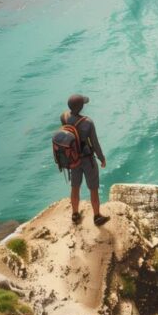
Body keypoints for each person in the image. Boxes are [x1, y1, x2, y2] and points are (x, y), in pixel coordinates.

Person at [56, 94, 110, 226]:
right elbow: (95, 144)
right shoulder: (88, 122)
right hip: (87, 160)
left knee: (75, 187)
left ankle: (75, 214)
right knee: (93, 189)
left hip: (73, 160)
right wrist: (102, 158)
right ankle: (97, 216)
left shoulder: (64, 117)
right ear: (81, 107)